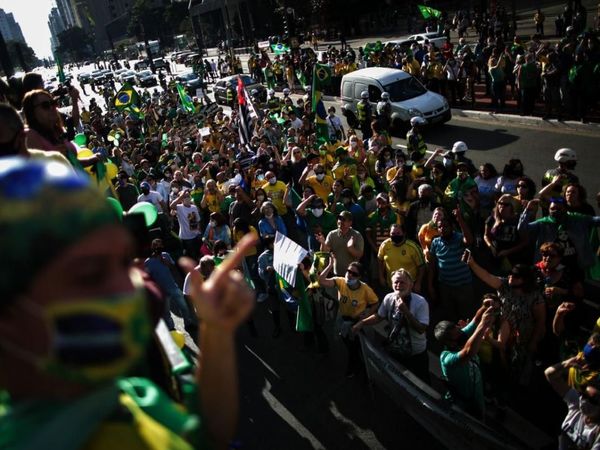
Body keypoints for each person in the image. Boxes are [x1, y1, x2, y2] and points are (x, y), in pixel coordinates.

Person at [0, 157, 256, 449]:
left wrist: (216, 332)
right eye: (91, 274)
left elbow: (208, 434)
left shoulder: (129, 397)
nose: (129, 287)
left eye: (123, 262)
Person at [353, 269, 430, 382]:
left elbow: (421, 329)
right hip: (395, 351)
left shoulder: (420, 302)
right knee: (400, 379)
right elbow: (379, 316)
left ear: (411, 284)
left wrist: (406, 312)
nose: (398, 285)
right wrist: (362, 323)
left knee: (422, 382)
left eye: (402, 282)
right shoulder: (389, 298)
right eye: (395, 282)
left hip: (416, 354)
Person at [434, 301, 496, 418]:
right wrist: (483, 325)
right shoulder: (447, 358)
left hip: (477, 397)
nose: (461, 333)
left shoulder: (459, 335)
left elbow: (475, 320)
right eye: (457, 334)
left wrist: (484, 306)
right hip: (462, 405)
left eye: (458, 329)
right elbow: (468, 352)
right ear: (448, 342)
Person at [319, 259, 379, 377]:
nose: (350, 275)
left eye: (354, 274)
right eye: (348, 271)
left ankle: (355, 369)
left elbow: (375, 303)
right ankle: (357, 362)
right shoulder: (340, 282)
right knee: (347, 341)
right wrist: (330, 265)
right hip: (343, 319)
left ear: (359, 277)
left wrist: (367, 314)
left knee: (354, 347)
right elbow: (321, 281)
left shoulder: (365, 289)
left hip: (355, 323)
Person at [545, 357, 600, 449]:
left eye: (592, 399)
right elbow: (550, 374)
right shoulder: (576, 404)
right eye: (583, 394)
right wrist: (566, 364)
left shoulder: (597, 431)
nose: (584, 400)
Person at [377, 223, 425, 292]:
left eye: (398, 233)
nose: (395, 235)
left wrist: (418, 283)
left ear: (404, 233)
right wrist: (381, 276)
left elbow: (422, 266)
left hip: (409, 286)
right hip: (391, 284)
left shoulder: (413, 247)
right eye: (393, 234)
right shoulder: (385, 245)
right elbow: (379, 259)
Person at [317, 210, 364, 276]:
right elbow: (324, 252)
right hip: (336, 274)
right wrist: (322, 243)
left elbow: (359, 255)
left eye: (343, 219)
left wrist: (351, 248)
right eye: (339, 219)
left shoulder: (357, 235)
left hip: (352, 275)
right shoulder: (332, 234)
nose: (340, 221)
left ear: (350, 223)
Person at [171, 188, 202, 260]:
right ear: (181, 199)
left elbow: (198, 221)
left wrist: (199, 232)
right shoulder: (179, 208)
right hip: (185, 238)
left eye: (188, 196)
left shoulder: (194, 207)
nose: (187, 198)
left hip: (195, 236)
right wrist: (182, 195)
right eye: (185, 197)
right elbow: (172, 206)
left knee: (196, 255)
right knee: (190, 257)